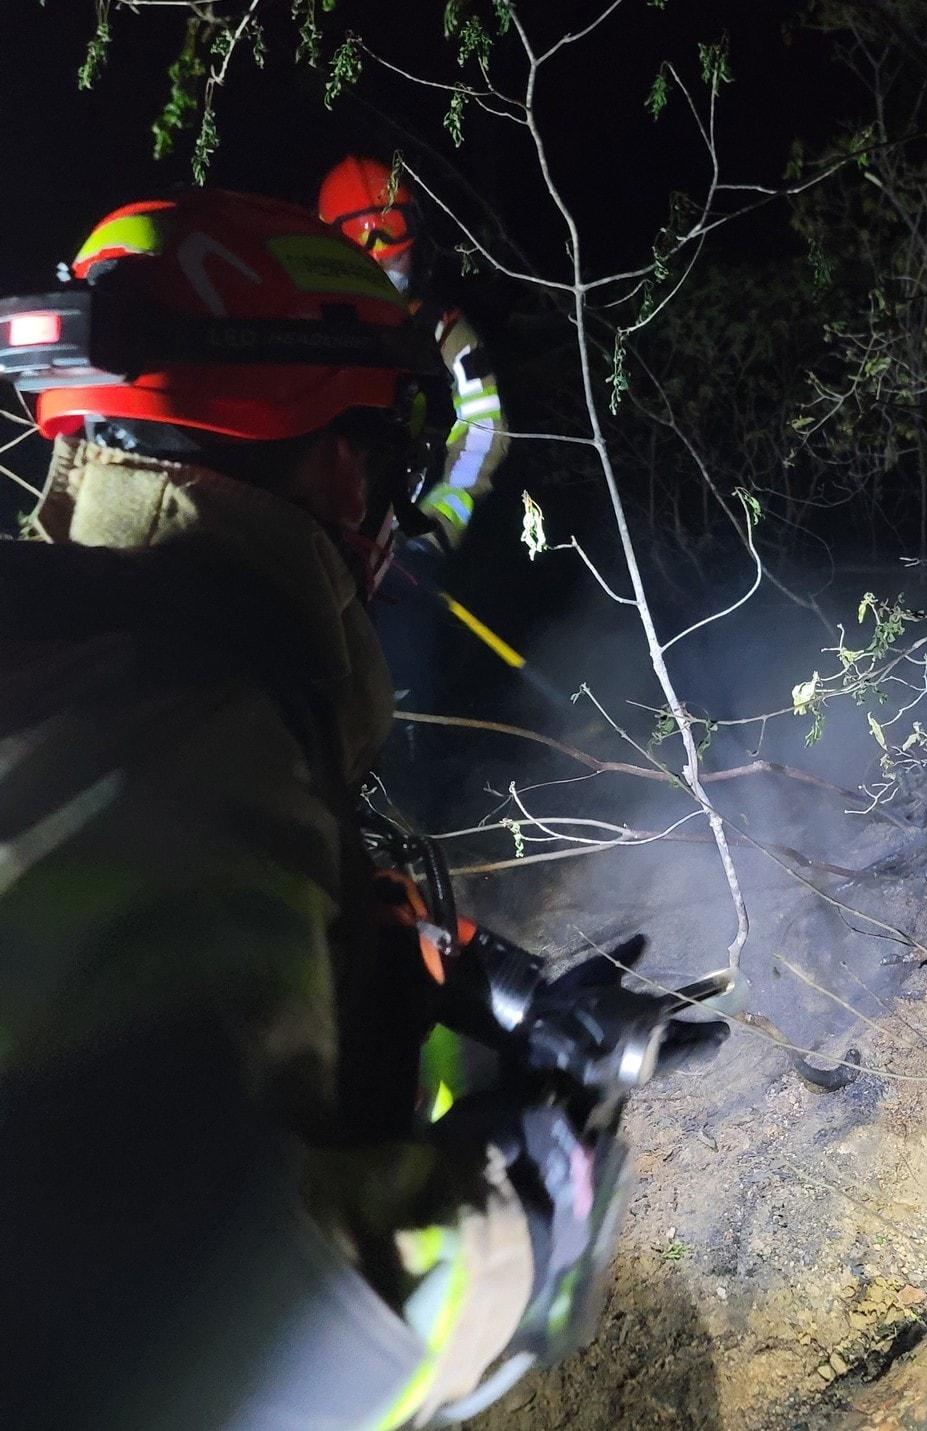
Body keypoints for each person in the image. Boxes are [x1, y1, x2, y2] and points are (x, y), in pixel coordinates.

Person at [0, 188, 724, 1430]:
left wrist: (446, 978)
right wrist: (544, 1192)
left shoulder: (80, 678)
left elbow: (192, 954)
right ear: (339, 463)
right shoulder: (183, 729)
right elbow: (216, 1338)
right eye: (384, 454)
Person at [318, 154, 508, 556]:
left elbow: (482, 437)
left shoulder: (447, 337)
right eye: (370, 264)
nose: (387, 274)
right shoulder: (296, 319)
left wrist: (430, 534)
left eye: (396, 257)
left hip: (393, 544)